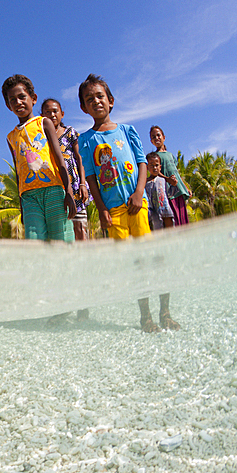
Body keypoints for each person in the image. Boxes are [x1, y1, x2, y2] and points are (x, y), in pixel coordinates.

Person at [77, 74, 179, 332]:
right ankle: (146, 317)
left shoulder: (127, 130)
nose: (96, 101)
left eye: (100, 96)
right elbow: (90, 177)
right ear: (83, 108)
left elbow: (142, 163)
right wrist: (101, 210)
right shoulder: (86, 140)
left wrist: (139, 192)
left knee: (151, 258)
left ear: (110, 101)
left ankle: (165, 312)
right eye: (90, 99)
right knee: (135, 265)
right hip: (113, 212)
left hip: (138, 204)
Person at [4, 76, 76, 241]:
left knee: (61, 239)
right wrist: (22, 204)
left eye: (22, 97)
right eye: (12, 100)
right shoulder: (11, 137)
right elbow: (17, 171)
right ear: (8, 106)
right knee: (35, 241)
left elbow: (59, 158)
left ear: (33, 98)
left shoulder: (44, 123)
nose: (18, 102)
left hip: (54, 190)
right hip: (29, 197)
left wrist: (69, 191)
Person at [41, 98, 90, 240]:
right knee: (62, 227)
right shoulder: (41, 138)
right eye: (47, 112)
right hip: (55, 187)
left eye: (55, 111)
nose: (52, 115)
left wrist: (82, 183)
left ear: (62, 113)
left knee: (79, 226)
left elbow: (80, 158)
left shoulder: (69, 132)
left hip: (74, 186)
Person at [149, 125, 191, 225]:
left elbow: (176, 171)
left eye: (158, 135)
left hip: (179, 189)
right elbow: (157, 172)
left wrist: (185, 186)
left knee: (183, 217)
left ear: (164, 137)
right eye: (153, 137)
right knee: (174, 216)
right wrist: (168, 179)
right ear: (151, 141)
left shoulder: (170, 154)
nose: (156, 138)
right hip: (169, 192)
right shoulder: (156, 156)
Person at [145, 152, 175, 230]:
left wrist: (172, 182)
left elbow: (170, 192)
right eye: (151, 166)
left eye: (156, 165)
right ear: (147, 167)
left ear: (160, 167)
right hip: (152, 212)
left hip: (164, 208)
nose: (155, 168)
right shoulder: (145, 182)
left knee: (169, 227)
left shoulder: (163, 180)